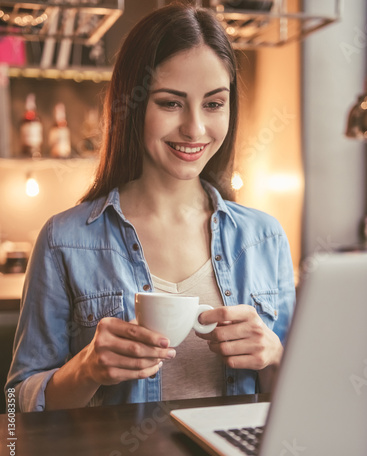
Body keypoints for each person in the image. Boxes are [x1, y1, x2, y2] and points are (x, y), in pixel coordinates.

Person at [6, 3, 295, 412]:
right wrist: (86, 369)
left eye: (213, 104)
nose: (195, 128)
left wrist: (277, 356)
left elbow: (299, 402)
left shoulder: (265, 238)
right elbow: (18, 408)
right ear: (133, 103)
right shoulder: (63, 241)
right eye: (170, 103)